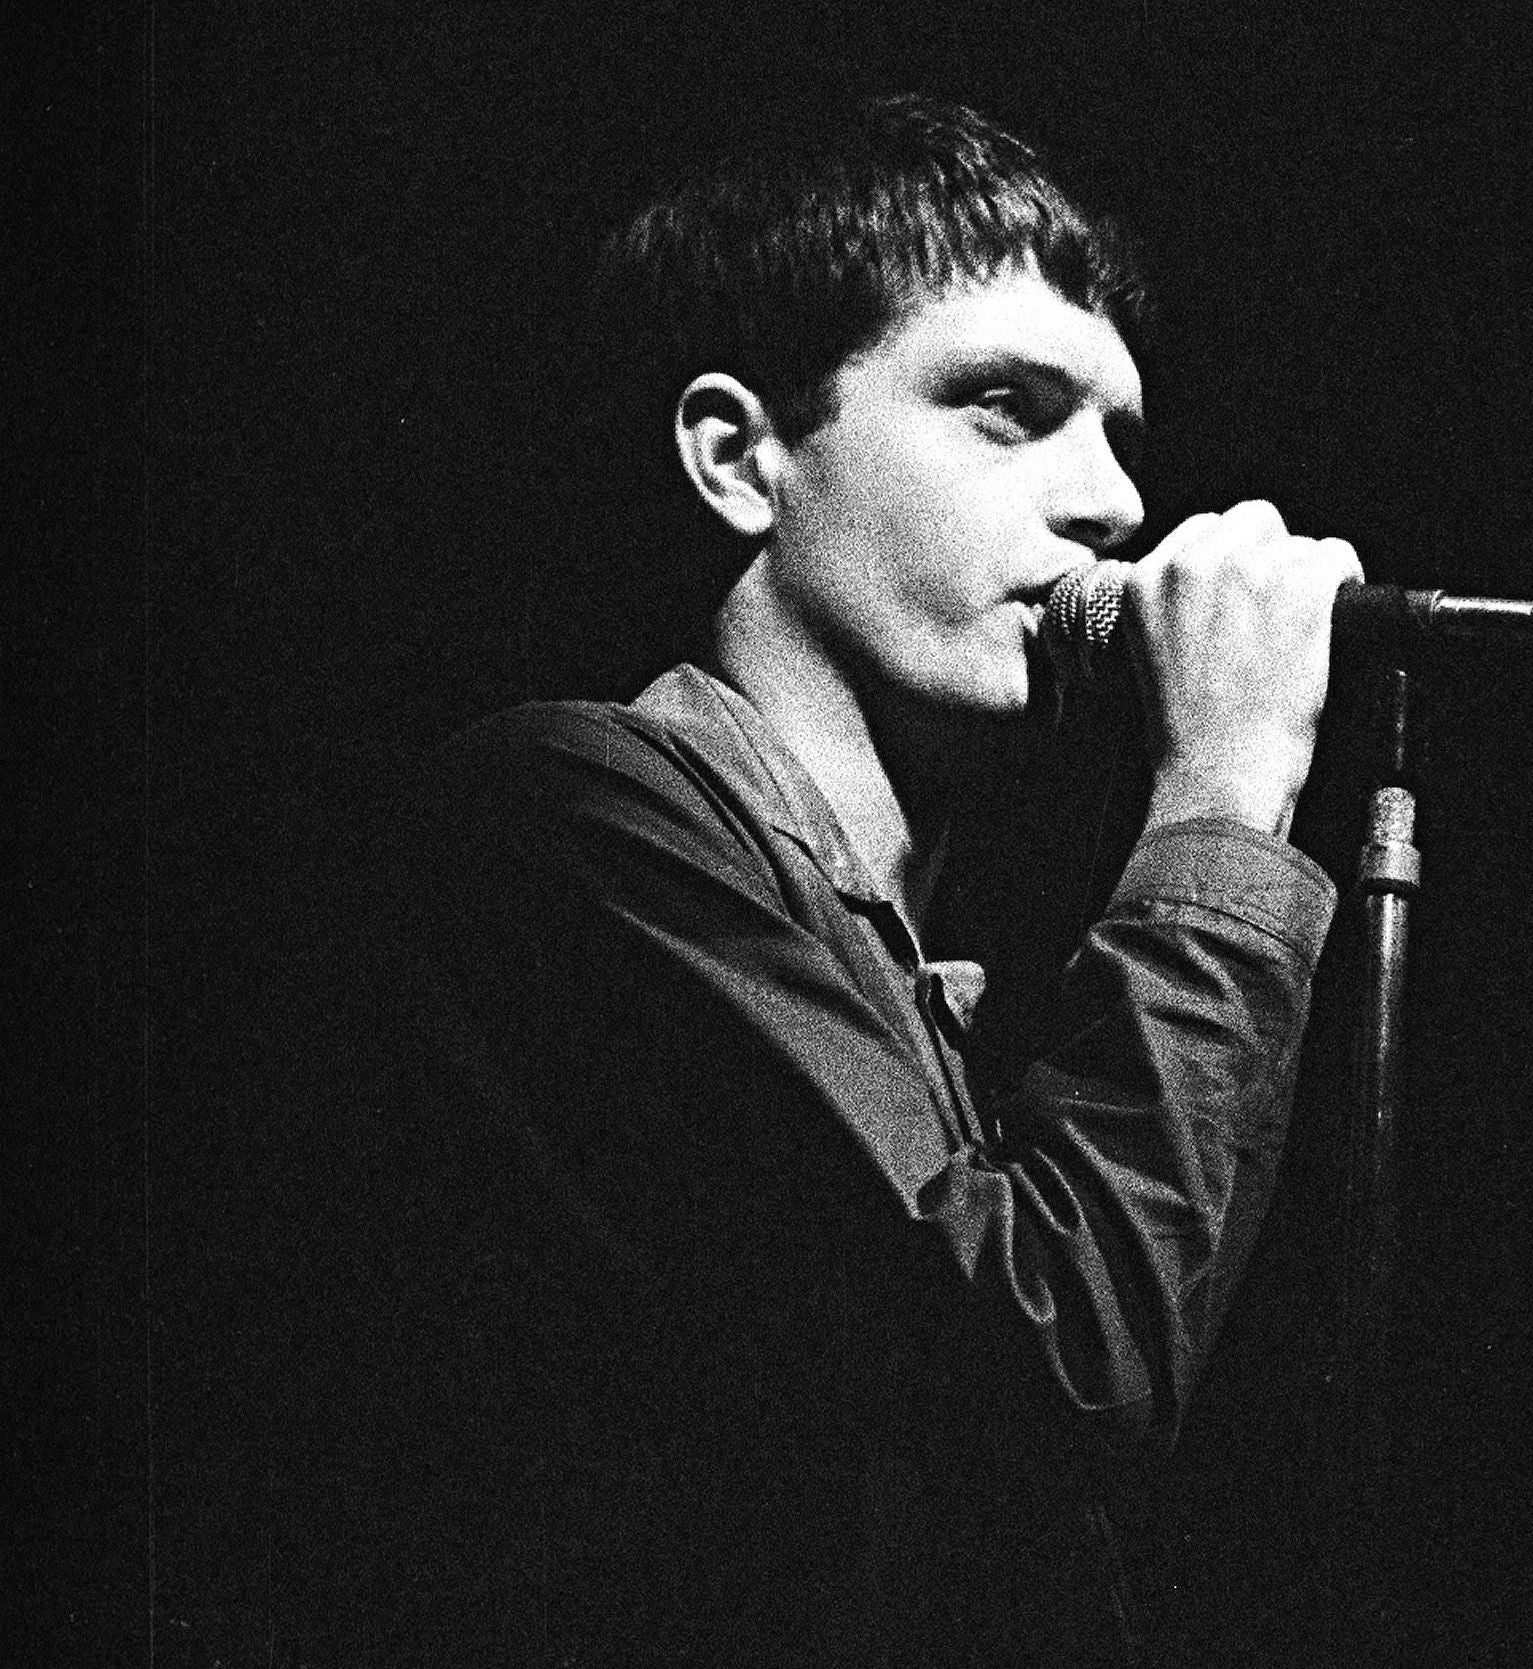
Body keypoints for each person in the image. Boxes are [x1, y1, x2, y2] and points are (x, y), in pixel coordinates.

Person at [321, 93, 1361, 1667]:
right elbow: (1058, 1357)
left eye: (1121, 435)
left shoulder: (919, 937)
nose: (1114, 502)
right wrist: (1222, 795)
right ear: (742, 459)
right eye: (1005, 404)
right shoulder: (571, 804)